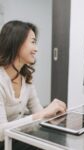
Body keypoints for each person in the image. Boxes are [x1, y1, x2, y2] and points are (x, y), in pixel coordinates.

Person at [0, 20, 66, 149]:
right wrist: (42, 114)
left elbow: (39, 114)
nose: (36, 49)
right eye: (33, 42)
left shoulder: (26, 78)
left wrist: (53, 114)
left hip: (14, 139)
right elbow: (1, 133)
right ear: (16, 43)